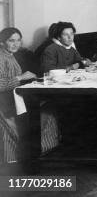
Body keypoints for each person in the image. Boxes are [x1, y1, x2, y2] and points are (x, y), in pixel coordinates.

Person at [0, 28, 60, 163]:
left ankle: (35, 151)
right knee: (41, 108)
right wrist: (21, 77)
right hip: (5, 101)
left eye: (18, 40)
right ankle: (29, 155)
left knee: (49, 104)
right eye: (11, 41)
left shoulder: (10, 55)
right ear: (2, 42)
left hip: (14, 96)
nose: (16, 44)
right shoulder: (1, 57)